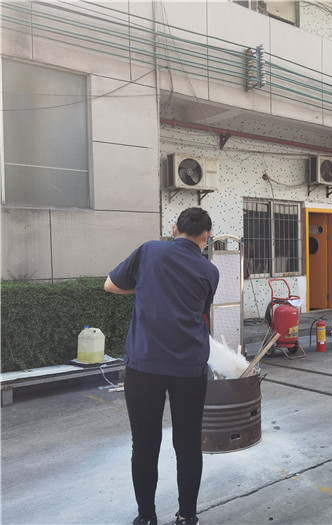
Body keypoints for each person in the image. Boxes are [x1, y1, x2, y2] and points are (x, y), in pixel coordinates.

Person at [104, 208, 220, 525]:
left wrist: (143, 286)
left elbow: (110, 285)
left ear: (173, 229)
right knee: (188, 445)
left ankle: (146, 517)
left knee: (144, 445)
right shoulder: (209, 271)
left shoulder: (149, 251)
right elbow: (199, 308)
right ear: (206, 236)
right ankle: (187, 516)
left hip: (145, 365)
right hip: (189, 367)